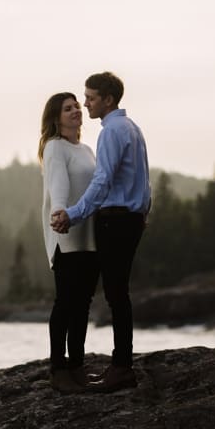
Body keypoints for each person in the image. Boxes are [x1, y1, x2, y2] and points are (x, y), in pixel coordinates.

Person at [51, 71, 151, 393]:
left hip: (115, 220)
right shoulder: (132, 128)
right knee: (118, 293)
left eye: (90, 97)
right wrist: (141, 213)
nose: (85, 103)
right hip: (130, 218)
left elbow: (103, 181)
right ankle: (121, 364)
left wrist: (74, 214)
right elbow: (144, 182)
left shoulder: (110, 132)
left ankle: (121, 367)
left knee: (116, 294)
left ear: (107, 100)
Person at [39, 92, 100, 394]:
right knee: (65, 303)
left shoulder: (88, 150)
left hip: (90, 236)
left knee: (83, 304)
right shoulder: (55, 147)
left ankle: (77, 366)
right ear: (56, 118)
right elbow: (58, 185)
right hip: (66, 233)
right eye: (68, 108)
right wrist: (60, 215)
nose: (76, 110)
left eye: (77, 106)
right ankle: (57, 369)